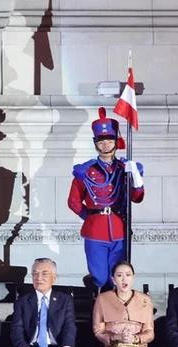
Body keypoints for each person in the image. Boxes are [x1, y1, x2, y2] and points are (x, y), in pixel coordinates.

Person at [67, 107, 145, 290]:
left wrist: (136, 178)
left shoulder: (124, 168)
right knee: (100, 277)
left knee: (119, 277)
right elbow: (73, 202)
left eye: (109, 140)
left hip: (120, 228)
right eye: (101, 141)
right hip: (95, 232)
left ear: (116, 142)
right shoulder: (86, 170)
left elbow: (138, 197)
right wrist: (92, 216)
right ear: (95, 143)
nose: (105, 145)